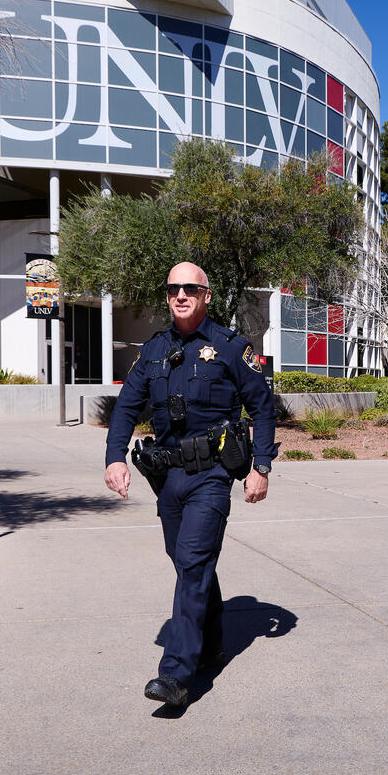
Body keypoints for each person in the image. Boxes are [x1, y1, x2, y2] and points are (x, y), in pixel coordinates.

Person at [104, 262, 277, 709]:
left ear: (206, 295)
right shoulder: (155, 350)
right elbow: (125, 408)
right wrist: (114, 459)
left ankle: (177, 674)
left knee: (194, 560)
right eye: (172, 289)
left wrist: (261, 466)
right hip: (169, 477)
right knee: (185, 563)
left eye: (189, 288)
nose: (180, 295)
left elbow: (262, 407)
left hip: (213, 476)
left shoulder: (229, 347)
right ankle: (213, 639)